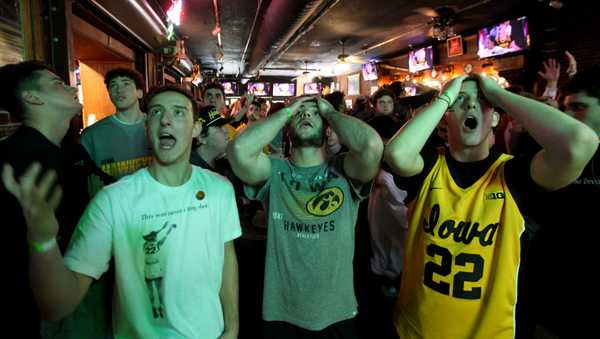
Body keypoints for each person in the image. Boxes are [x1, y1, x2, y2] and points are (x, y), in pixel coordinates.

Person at [2, 85, 242, 339]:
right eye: (156, 112)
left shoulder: (219, 189)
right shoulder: (114, 200)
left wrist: (233, 326)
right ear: (147, 128)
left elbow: (226, 259)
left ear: (195, 129)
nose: (167, 120)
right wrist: (43, 241)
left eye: (179, 112)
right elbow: (57, 306)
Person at [384, 74, 597, 339]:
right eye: (460, 101)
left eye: (481, 102)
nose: (471, 106)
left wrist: (499, 95)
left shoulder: (514, 173)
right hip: (414, 329)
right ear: (445, 117)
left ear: (496, 117)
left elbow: (581, 143)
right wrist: (445, 97)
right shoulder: (429, 166)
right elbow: (395, 154)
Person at [227, 96, 383, 338]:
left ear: (328, 129)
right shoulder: (274, 172)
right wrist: (287, 112)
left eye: (313, 113)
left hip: (337, 313)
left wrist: (329, 112)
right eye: (300, 113)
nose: (306, 115)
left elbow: (371, 146)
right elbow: (238, 149)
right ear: (288, 129)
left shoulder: (345, 170)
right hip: (281, 313)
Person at [0, 61, 88, 339]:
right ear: (32, 97)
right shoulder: (17, 162)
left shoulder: (70, 151)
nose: (71, 87)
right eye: (57, 84)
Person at [529, 66, 600, 337]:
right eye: (565, 107)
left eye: (579, 107)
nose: (568, 116)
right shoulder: (553, 154)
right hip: (550, 298)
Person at [80, 68, 152, 183]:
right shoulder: (92, 135)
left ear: (139, 93)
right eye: (113, 85)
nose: (119, 90)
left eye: (126, 83)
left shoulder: (157, 126)